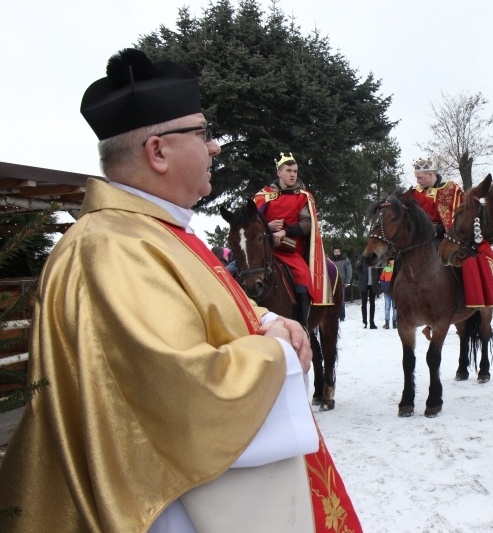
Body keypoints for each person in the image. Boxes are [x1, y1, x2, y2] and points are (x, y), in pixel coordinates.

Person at [0, 48, 361, 533]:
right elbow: (184, 391)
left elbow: (204, 300)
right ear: (158, 151)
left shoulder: (154, 230)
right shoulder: (111, 249)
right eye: (203, 134)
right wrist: (276, 354)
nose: (214, 148)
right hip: (164, 508)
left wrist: (266, 317)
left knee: (298, 282)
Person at [254, 152, 332, 329]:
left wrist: (285, 231)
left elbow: (307, 224)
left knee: (303, 277)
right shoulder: (262, 196)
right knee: (234, 271)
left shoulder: (303, 197)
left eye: (295, 171)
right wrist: (268, 225)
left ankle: (303, 325)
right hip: (265, 251)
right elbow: (251, 223)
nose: (292, 174)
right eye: (288, 170)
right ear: (278, 173)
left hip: (291, 251)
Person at [411, 158, 493, 307]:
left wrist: (442, 228)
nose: (418, 181)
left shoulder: (452, 189)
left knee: (468, 261)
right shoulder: (415, 193)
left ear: (431, 174)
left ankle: (468, 296)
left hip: (449, 235)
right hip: (423, 237)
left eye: (420, 177)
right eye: (417, 178)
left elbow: (461, 215)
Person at [356, 254, 381, 329]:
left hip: (373, 284)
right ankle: (364, 322)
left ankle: (372, 322)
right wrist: (361, 277)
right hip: (364, 284)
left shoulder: (376, 258)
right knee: (364, 303)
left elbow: (379, 269)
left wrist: (377, 278)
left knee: (372, 303)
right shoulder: (362, 257)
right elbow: (358, 268)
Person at [331, 247, 352, 321]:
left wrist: (347, 281)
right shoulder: (331, 260)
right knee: (332, 299)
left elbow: (349, 270)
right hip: (332, 282)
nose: (336, 252)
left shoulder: (344, 259)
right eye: (335, 251)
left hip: (341, 282)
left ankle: (342, 316)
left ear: (340, 252)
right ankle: (334, 315)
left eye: (337, 251)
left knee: (341, 299)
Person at [379, 259, 398, 329]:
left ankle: (394, 322)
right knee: (387, 307)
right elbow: (381, 279)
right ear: (388, 262)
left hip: (395, 291)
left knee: (395, 308)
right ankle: (387, 322)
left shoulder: (397, 269)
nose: (392, 261)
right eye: (391, 260)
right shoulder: (386, 269)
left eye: (393, 260)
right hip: (387, 291)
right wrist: (384, 288)